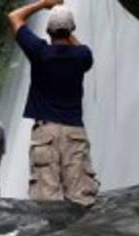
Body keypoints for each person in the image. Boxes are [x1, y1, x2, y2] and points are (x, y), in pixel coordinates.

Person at [8, 0, 99, 206]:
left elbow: (14, 17)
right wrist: (67, 31)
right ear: (72, 30)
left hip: (45, 133)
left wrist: (44, 4)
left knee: (46, 201)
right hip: (74, 131)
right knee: (81, 198)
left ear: (48, 30)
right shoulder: (83, 56)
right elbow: (78, 46)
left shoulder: (39, 52)